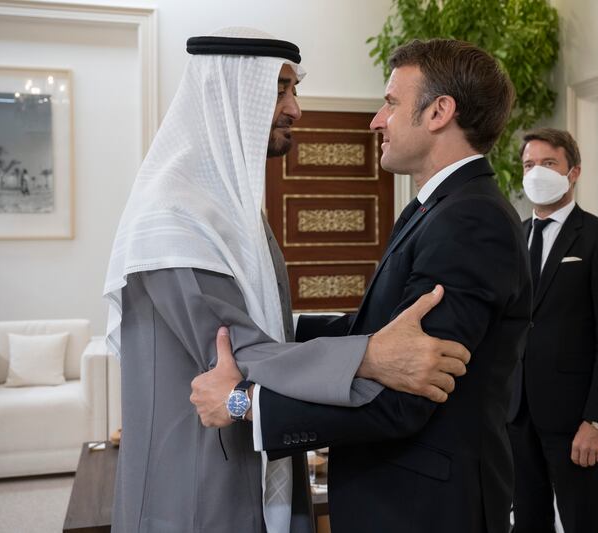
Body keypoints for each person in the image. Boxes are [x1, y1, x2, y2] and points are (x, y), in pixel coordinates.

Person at [103, 28, 469, 533]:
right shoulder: (173, 216)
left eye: (292, 90)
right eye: (279, 90)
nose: (295, 109)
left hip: (245, 451)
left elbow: (271, 326)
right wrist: (374, 355)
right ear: (225, 95)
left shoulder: (228, 211)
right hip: (196, 477)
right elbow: (237, 351)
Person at [191, 38, 531, 533]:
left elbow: (403, 397)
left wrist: (242, 402)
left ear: (439, 112)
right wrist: (276, 327)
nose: (377, 119)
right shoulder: (434, 209)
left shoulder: (470, 221)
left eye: (391, 102)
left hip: (427, 510)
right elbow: (377, 333)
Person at [506, 128, 598, 532]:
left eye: (548, 164)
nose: (536, 173)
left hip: (574, 421)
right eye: (529, 165)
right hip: (515, 415)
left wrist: (596, 422)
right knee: (527, 522)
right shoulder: (514, 236)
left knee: (581, 523)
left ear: (573, 172)